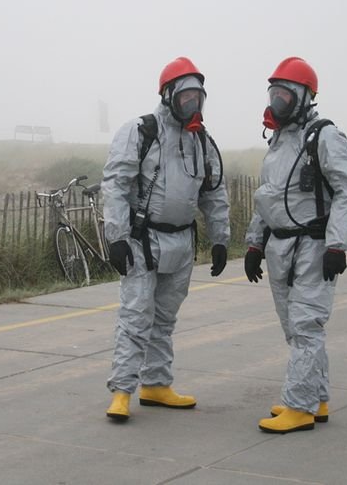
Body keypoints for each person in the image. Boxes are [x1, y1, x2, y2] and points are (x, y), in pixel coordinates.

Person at [101, 56, 231, 422]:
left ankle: (156, 385)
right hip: (142, 241)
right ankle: (122, 391)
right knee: (135, 316)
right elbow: (116, 184)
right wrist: (116, 236)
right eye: (186, 96)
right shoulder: (141, 132)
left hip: (181, 243)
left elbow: (214, 193)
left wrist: (221, 238)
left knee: (164, 319)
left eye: (198, 98)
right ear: (168, 94)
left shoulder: (201, 142)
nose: (193, 104)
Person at [244, 57, 347, 434]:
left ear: (304, 96)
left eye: (285, 94)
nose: (277, 101)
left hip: (313, 246)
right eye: (274, 94)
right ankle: (317, 398)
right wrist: (254, 244)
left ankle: (299, 407)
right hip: (281, 247)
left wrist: (337, 245)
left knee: (306, 325)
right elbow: (269, 195)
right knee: (295, 330)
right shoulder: (279, 140)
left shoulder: (324, 136)